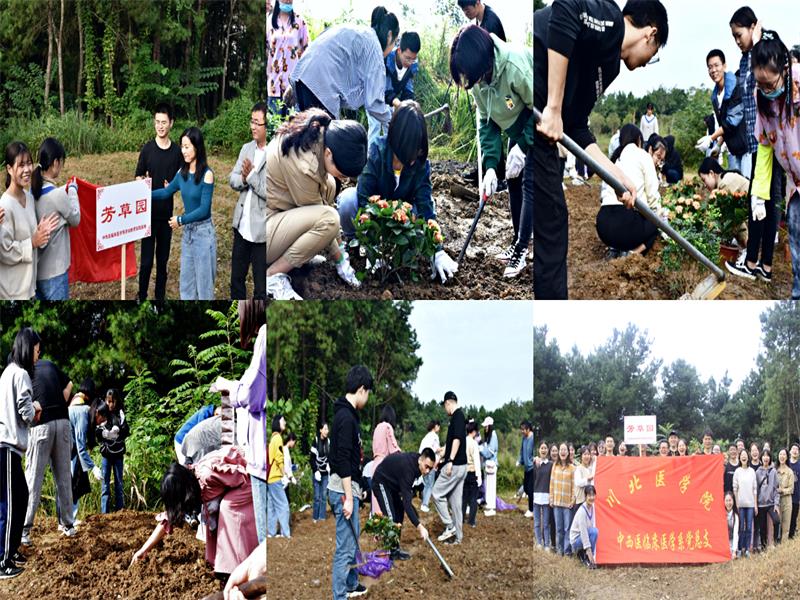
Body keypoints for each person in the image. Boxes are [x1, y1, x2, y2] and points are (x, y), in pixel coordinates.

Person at [533, 0, 669, 298]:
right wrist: (554, 107)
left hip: (544, 128)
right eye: (655, 53)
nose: (647, 61)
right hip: (535, 103)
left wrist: (617, 175)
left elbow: (577, 126)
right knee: (552, 224)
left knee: (552, 222)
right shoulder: (610, 19)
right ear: (650, 34)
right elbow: (566, 7)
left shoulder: (610, 66)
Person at [337, 101, 459, 283]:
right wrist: (372, 246)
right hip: (376, 217)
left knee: (420, 215)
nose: (415, 157)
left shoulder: (420, 164)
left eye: (418, 150)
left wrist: (437, 250)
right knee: (348, 201)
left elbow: (425, 205)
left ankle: (404, 251)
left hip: (401, 222)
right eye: (412, 150)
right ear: (398, 140)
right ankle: (354, 243)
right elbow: (363, 197)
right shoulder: (377, 151)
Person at [450, 24, 533, 279]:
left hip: (539, 124)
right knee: (513, 179)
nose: (469, 81)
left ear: (483, 64)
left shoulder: (515, 66)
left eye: (469, 75)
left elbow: (542, 107)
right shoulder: (477, 78)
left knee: (529, 182)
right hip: (514, 129)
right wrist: (489, 167)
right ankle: (517, 241)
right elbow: (486, 123)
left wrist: (524, 145)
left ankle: (523, 248)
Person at [266, 109, 366, 300]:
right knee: (329, 220)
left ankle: (300, 256)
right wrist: (341, 259)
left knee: (329, 186)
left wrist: (339, 251)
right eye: (343, 174)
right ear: (328, 153)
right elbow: (327, 221)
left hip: (277, 214)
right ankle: (273, 275)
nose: (344, 180)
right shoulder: (306, 167)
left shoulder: (319, 132)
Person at [130, 446, 258, 577]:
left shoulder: (207, 474)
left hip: (253, 475)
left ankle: (241, 565)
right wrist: (143, 550)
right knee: (212, 513)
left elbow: (244, 476)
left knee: (227, 508)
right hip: (240, 481)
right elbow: (169, 518)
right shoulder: (188, 488)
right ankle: (224, 565)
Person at [726, 13, 787, 287]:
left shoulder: (765, 53)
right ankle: (762, 265)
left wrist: (762, 37)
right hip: (758, 139)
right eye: (734, 37)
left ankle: (754, 263)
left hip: (773, 139)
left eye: (739, 34)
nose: (737, 41)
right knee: (765, 199)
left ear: (754, 27)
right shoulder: (744, 60)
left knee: (763, 198)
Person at [741, 29, 800, 297]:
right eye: (760, 84)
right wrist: (757, 194)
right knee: (796, 238)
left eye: (770, 83)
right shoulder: (761, 98)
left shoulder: (798, 82)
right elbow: (765, 148)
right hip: (795, 185)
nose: (766, 90)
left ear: (785, 70)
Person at [290, 6, 397, 142]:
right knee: (322, 144)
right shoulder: (374, 48)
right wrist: (393, 121)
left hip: (302, 76)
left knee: (306, 140)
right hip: (321, 86)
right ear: (389, 35)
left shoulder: (359, 32)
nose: (392, 47)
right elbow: (374, 103)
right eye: (394, 43)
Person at [151, 127, 216, 299]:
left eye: (187, 147)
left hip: (203, 233)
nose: (183, 151)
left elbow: (204, 210)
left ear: (197, 147)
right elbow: (166, 192)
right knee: (186, 286)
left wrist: (180, 220)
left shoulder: (207, 175)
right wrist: (144, 195)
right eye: (182, 146)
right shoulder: (182, 172)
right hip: (188, 234)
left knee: (204, 289)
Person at [0, 328, 43, 578]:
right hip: (7, 446)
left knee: (21, 498)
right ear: (29, 349)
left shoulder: (7, 372)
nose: (38, 356)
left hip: (8, 448)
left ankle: (12, 549)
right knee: (9, 504)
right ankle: (3, 560)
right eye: (37, 351)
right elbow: (27, 414)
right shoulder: (22, 374)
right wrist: (36, 407)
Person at [328, 365, 373, 600]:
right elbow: (343, 459)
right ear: (362, 389)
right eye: (368, 393)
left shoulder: (348, 415)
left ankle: (351, 584)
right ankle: (339, 596)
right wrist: (348, 497)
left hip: (349, 487)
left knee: (352, 542)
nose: (368, 398)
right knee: (345, 549)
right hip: (342, 489)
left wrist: (359, 487)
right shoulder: (345, 418)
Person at [21, 354, 76, 545]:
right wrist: (62, 401)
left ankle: (24, 530)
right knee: (64, 477)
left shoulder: (23, 370)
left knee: (33, 479)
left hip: (41, 424)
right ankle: (68, 525)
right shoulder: (50, 364)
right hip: (63, 422)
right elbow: (70, 383)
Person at [134, 103, 184, 301]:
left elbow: (183, 180)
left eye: (164, 122)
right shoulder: (147, 149)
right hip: (147, 215)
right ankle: (142, 296)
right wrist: (142, 182)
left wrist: (173, 186)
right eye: (157, 122)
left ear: (171, 123)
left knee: (162, 262)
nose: (160, 126)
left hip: (166, 216)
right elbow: (138, 175)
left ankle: (159, 298)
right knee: (146, 262)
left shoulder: (177, 152)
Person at [1, 142, 58, 300]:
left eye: (29, 163)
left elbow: (33, 237)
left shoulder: (30, 198)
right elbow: (4, 251)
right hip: (12, 291)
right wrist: (32, 242)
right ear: (9, 169)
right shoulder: (5, 206)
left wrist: (42, 233)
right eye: (21, 165)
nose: (27, 170)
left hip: (30, 286)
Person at [596, 124, 664, 257]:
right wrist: (659, 214)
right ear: (639, 140)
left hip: (603, 226)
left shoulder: (614, 159)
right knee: (656, 223)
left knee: (622, 227)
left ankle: (614, 249)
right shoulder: (643, 155)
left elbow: (602, 195)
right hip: (628, 227)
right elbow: (652, 197)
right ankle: (631, 254)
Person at [30, 138, 80, 300]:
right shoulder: (57, 195)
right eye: (62, 162)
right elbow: (75, 218)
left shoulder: (32, 192)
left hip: (36, 273)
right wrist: (72, 191)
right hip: (55, 273)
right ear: (56, 162)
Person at [229, 102, 267, 300]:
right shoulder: (246, 148)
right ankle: (240, 318)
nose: (253, 127)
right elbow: (232, 179)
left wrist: (251, 176)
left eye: (257, 123)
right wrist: (244, 179)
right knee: (236, 280)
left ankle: (256, 318)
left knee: (261, 289)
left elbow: (272, 193)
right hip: (241, 227)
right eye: (251, 121)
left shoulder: (275, 154)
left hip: (262, 232)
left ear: (268, 126)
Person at [372, 449, 435, 561]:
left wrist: (415, 516)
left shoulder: (417, 464)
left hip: (392, 486)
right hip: (381, 482)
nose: (427, 471)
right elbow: (407, 504)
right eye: (426, 466)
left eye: (430, 468)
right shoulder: (408, 470)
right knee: (390, 517)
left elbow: (407, 501)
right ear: (421, 460)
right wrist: (419, 527)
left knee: (399, 511)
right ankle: (389, 552)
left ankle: (395, 550)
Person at [697, 49, 749, 174]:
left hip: (747, 147)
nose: (713, 70)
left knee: (746, 182)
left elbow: (732, 121)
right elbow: (724, 125)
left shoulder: (736, 87)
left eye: (716, 65)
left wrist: (711, 138)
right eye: (710, 67)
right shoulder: (715, 96)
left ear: (724, 66)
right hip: (734, 148)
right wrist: (719, 145)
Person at [369, 31, 420, 150]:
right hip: (374, 97)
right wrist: (400, 105)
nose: (410, 62)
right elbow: (384, 90)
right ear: (399, 51)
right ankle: (371, 157)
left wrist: (409, 105)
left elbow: (408, 90)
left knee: (391, 130)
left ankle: (388, 157)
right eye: (407, 58)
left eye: (413, 59)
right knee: (375, 127)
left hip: (392, 101)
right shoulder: (386, 59)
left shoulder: (412, 65)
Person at [432, 391, 468, 545]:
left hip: (455, 465)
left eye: (444, 406)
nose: (445, 409)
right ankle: (458, 538)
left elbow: (457, 439)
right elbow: (454, 440)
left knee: (436, 493)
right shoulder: (458, 417)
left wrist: (450, 460)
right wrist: (444, 450)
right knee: (455, 504)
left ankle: (449, 525)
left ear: (448, 403)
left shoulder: (457, 416)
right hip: (462, 466)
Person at [66, 381, 104, 522]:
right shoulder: (82, 412)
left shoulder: (76, 401)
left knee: (73, 484)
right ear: (97, 413)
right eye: (103, 418)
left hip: (69, 450)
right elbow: (80, 446)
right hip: (70, 451)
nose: (102, 422)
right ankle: (69, 520)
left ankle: (67, 520)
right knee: (73, 484)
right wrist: (93, 467)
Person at [267, 0, 309, 117]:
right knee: (274, 124)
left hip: (293, 87)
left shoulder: (300, 21)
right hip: (274, 86)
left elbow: (307, 51)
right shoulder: (269, 22)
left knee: (292, 125)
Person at [699, 156, 750, 242]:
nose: (704, 185)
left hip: (757, 216)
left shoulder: (725, 183)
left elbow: (730, 215)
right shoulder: (724, 179)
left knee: (731, 216)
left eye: (704, 180)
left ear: (711, 173)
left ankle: (747, 246)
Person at [97, 389, 129, 513]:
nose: (110, 404)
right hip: (106, 454)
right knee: (105, 485)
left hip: (118, 453)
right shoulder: (102, 412)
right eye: (108, 401)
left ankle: (120, 513)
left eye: (112, 402)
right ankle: (104, 514)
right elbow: (97, 431)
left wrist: (118, 432)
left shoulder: (120, 414)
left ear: (117, 401)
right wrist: (104, 434)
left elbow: (126, 431)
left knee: (119, 484)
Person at [371, 404, 400, 514]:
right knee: (385, 503)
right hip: (384, 466)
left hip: (374, 464)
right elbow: (393, 448)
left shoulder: (377, 428)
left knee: (376, 501)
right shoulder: (388, 427)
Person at [550, 442, 575, 556]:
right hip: (556, 502)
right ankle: (560, 550)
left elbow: (574, 486)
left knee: (567, 528)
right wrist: (551, 499)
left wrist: (573, 500)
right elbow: (551, 484)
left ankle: (567, 551)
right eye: (561, 450)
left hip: (567, 503)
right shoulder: (555, 466)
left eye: (565, 450)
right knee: (559, 528)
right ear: (559, 452)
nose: (563, 452)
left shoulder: (572, 468)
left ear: (568, 452)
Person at [267, 414, 290, 537]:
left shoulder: (273, 438)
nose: (285, 423)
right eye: (283, 421)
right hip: (275, 477)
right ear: (277, 423)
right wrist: (283, 475)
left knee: (272, 506)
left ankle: (271, 533)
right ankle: (285, 534)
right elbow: (279, 458)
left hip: (270, 477)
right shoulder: (278, 438)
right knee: (283, 505)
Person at [733, 448, 757, 557]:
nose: (743, 457)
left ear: (748, 457)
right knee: (741, 527)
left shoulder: (752, 471)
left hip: (750, 504)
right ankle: (740, 548)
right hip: (740, 505)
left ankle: (747, 548)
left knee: (749, 527)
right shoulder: (737, 471)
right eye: (742, 455)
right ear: (739, 458)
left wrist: (755, 505)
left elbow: (754, 489)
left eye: (745, 455)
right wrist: (737, 503)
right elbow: (735, 488)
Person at [569, 484, 598, 569]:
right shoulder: (582, 511)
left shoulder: (591, 507)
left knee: (594, 531)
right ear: (585, 496)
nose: (592, 497)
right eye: (589, 495)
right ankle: (586, 557)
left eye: (593, 495)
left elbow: (590, 527)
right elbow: (584, 534)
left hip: (583, 536)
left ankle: (585, 555)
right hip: (576, 540)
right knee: (593, 532)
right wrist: (591, 557)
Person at [755, 449, 778, 550]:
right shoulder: (757, 472)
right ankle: (763, 547)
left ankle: (775, 542)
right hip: (761, 504)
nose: (766, 458)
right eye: (764, 456)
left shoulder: (773, 471)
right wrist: (756, 504)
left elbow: (776, 489)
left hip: (771, 503)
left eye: (767, 456)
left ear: (770, 458)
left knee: (777, 521)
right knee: (762, 527)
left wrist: (776, 504)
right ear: (761, 458)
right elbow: (755, 489)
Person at [533, 442, 553, 551]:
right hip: (536, 496)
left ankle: (546, 544)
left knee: (545, 523)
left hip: (546, 496)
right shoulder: (535, 463)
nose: (544, 450)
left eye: (545, 448)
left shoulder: (550, 465)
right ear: (539, 450)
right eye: (542, 448)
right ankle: (539, 542)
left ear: (547, 450)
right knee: (537, 523)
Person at [418, 420, 441, 513]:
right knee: (430, 484)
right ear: (435, 426)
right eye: (438, 426)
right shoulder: (434, 436)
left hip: (422, 462)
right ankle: (425, 504)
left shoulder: (426, 436)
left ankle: (424, 503)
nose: (439, 428)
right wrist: (443, 449)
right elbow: (435, 449)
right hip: (430, 463)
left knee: (426, 483)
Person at [463, 422, 482, 528]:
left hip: (463, 472)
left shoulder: (463, 441)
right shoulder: (474, 443)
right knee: (473, 498)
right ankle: (471, 521)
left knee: (464, 498)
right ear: (474, 431)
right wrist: (479, 476)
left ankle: (461, 519)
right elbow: (477, 461)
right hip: (472, 471)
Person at [310, 422, 330, 523]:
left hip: (325, 473)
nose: (327, 431)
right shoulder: (316, 441)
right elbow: (312, 458)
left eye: (327, 429)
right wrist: (315, 470)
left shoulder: (329, 442)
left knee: (324, 495)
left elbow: (330, 456)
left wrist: (329, 465)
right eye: (325, 429)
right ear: (320, 430)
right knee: (317, 496)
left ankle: (322, 517)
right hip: (317, 473)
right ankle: (315, 516)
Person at [480, 415, 499, 516]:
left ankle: (491, 508)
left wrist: (481, 449)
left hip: (491, 465)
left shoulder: (493, 436)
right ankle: (488, 506)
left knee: (491, 487)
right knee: (488, 486)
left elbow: (489, 453)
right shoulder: (489, 437)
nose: (485, 428)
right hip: (487, 465)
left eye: (486, 426)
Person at [776, 448, 795, 543]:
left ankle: (783, 546)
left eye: (784, 454)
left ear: (787, 457)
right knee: (776, 524)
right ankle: (774, 545)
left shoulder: (790, 472)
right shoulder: (775, 470)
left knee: (786, 525)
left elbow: (791, 489)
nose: (782, 456)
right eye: (780, 454)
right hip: (776, 501)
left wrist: (782, 490)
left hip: (787, 501)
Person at [573, 446, 595, 527]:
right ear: (581, 456)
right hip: (580, 501)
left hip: (589, 502)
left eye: (588, 454)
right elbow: (578, 482)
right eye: (585, 454)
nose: (587, 456)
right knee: (580, 526)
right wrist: (587, 479)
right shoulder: (578, 469)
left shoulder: (591, 469)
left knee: (589, 525)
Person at [518, 421, 534, 518]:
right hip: (526, 467)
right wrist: (520, 461)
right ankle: (533, 507)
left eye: (523, 429)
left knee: (531, 489)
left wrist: (534, 461)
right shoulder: (524, 438)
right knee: (526, 488)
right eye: (521, 429)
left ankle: (531, 510)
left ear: (528, 429)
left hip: (533, 468)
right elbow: (521, 450)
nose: (522, 431)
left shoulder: (533, 438)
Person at [789, 443, 800, 538]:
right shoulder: (786, 463)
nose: (795, 451)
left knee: (793, 518)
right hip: (785, 496)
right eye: (793, 449)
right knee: (784, 519)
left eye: (797, 449)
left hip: (796, 496)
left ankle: (791, 537)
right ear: (790, 451)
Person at [725, 491, 739, 559]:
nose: (728, 503)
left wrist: (734, 551)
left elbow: (735, 534)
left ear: (733, 501)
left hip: (731, 542)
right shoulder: (721, 515)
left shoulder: (735, 516)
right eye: (726, 501)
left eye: (730, 500)